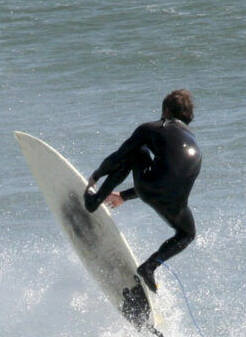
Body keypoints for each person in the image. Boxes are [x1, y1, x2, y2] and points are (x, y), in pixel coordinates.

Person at [84, 89, 201, 293]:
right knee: (187, 234)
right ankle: (150, 266)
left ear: (165, 111)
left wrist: (96, 175)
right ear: (189, 118)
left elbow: (119, 157)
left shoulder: (152, 128)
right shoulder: (194, 144)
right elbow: (167, 184)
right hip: (176, 203)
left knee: (136, 151)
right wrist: (124, 196)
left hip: (148, 187)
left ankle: (94, 201)